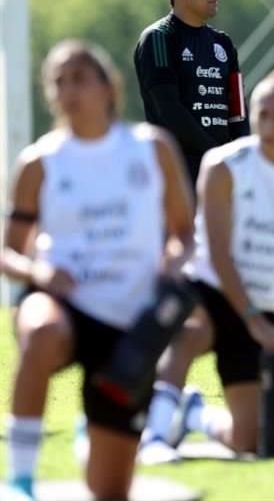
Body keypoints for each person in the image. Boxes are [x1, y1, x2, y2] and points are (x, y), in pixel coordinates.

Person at [1, 40, 194, 500]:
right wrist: (41, 275)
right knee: (42, 331)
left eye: (80, 78)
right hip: (61, 303)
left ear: (110, 87)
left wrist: (173, 261)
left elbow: (184, 232)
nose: (68, 90)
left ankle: (93, 434)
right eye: (58, 81)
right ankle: (21, 478)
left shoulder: (152, 148)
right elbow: (8, 253)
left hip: (131, 324)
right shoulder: (39, 161)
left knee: (108, 492)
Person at [138, 67, 274, 462]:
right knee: (190, 332)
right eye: (262, 114)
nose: (269, 125)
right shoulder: (223, 165)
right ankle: (152, 438)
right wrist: (252, 319)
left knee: (249, 442)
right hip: (208, 288)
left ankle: (193, 415)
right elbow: (218, 250)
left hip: (259, 307)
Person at [134, 0, 250, 186]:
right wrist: (216, 156)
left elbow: (238, 110)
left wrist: (244, 158)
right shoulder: (159, 38)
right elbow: (169, 110)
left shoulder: (223, 43)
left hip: (225, 173)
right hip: (178, 176)